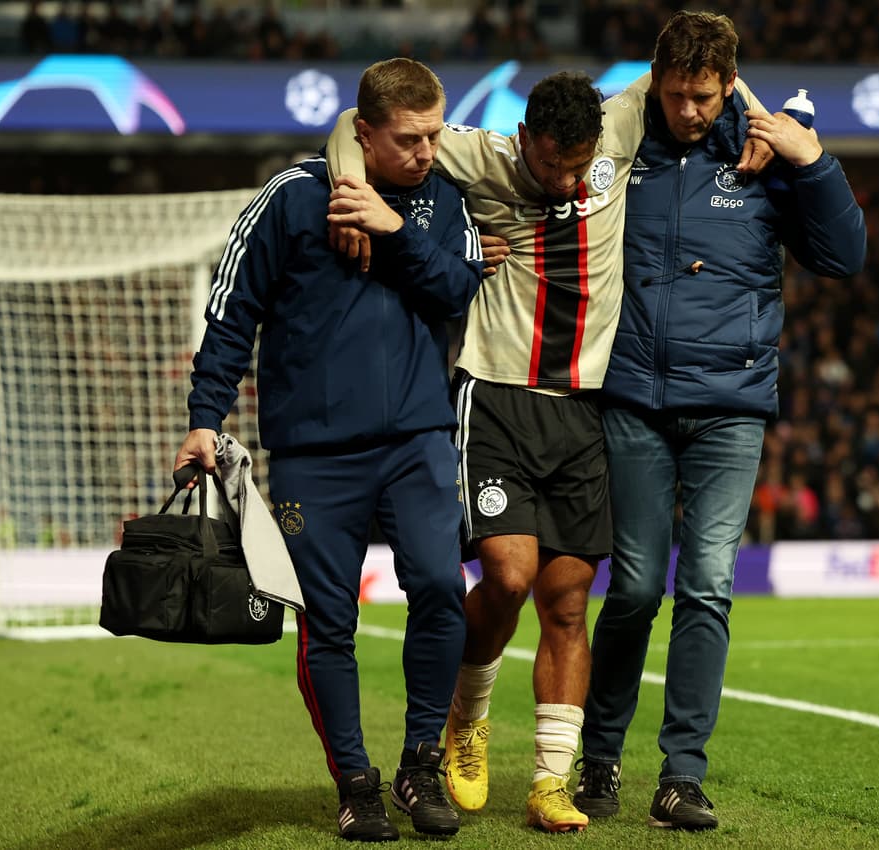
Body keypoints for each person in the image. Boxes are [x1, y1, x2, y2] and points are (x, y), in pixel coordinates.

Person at [327, 67, 773, 832]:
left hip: (583, 409)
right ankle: (466, 714)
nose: (569, 183)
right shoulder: (480, 156)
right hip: (496, 395)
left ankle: (551, 780)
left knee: (567, 599)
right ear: (524, 139)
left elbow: (699, 65)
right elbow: (348, 121)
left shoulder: (621, 129)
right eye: (554, 165)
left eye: (580, 167)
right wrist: (347, 192)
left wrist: (770, 126)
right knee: (508, 575)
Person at [572, 10, 868, 831]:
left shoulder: (768, 153)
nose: (692, 111)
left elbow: (845, 258)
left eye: (705, 95)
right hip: (633, 398)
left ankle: (682, 776)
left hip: (731, 409)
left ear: (729, 84)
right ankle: (599, 761)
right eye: (677, 94)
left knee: (707, 585)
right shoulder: (622, 149)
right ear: (656, 83)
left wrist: (815, 161)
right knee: (631, 588)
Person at [175, 58, 483, 843]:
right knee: (328, 621)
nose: (425, 151)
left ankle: (420, 766)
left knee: (442, 592)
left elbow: (457, 292)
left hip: (418, 437)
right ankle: (355, 783)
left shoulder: (445, 198)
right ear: (366, 130)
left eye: (434, 134)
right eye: (409, 138)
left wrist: (391, 228)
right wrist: (205, 415)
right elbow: (230, 310)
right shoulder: (291, 198)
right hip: (315, 454)